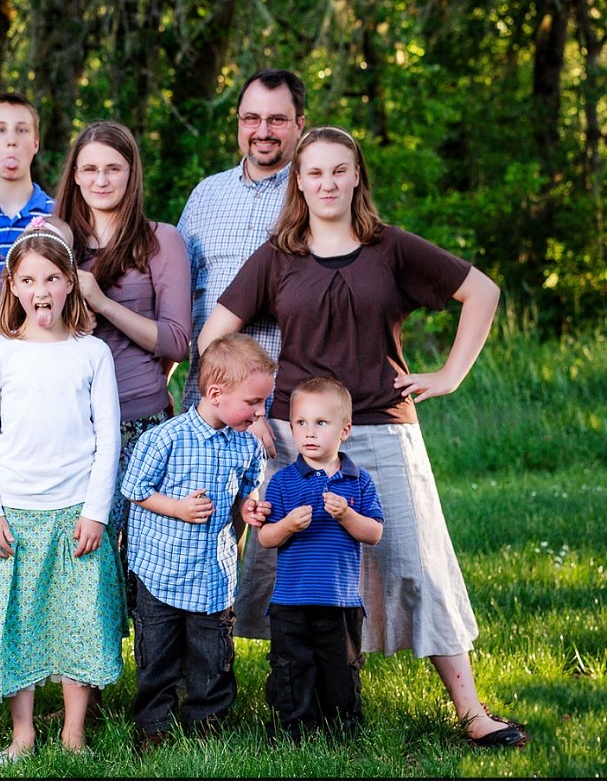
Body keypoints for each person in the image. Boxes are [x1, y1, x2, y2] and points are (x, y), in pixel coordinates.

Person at [199, 125, 529, 747]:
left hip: (381, 427)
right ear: (299, 181)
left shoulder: (391, 249)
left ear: (356, 177)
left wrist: (451, 375)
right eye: (314, 172)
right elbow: (213, 336)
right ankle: (284, 701)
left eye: (338, 170)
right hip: (297, 439)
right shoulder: (278, 256)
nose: (326, 182)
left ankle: (472, 710)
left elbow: (481, 291)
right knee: (280, 567)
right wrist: (251, 414)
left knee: (414, 565)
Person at [0, 217, 125, 762]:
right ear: (12, 286)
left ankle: (73, 735)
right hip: (15, 511)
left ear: (70, 283)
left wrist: (97, 513)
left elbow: (108, 441)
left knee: (80, 620)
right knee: (21, 623)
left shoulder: (91, 353)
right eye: (29, 280)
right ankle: (23, 734)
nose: (41, 291)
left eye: (53, 279)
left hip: (75, 510)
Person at [118, 333, 275, 753]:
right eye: (254, 403)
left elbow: (248, 490)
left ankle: (206, 722)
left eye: (263, 403)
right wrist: (178, 508)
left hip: (212, 573)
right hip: (161, 570)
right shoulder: (165, 438)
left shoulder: (246, 443)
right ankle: (154, 724)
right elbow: (135, 489)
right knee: (159, 655)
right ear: (216, 393)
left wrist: (249, 509)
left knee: (213, 656)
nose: (261, 413)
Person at [55, 119, 192, 534]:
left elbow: (175, 340)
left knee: (136, 563)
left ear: (131, 173)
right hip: (67, 424)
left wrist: (101, 302)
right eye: (90, 169)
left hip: (138, 421)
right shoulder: (57, 241)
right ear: (75, 176)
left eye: (113, 168)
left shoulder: (160, 241)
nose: (101, 179)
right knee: (79, 559)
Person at [254, 377, 383, 741]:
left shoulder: (358, 482)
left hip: (339, 602)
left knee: (340, 669)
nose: (309, 432)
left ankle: (342, 729)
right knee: (292, 668)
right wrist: (288, 526)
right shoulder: (282, 482)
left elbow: (373, 533)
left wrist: (346, 516)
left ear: (344, 430)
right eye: (300, 423)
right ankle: (294, 728)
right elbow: (265, 538)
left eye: (321, 423)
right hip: (290, 602)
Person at [178, 68, 305, 413]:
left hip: (288, 410)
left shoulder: (313, 196)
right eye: (251, 118)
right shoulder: (206, 195)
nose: (262, 131)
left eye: (276, 119)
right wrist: (160, 384)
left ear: (300, 124)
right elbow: (177, 300)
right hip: (207, 407)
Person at [0, 92, 54, 337]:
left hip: (43, 355)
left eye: (22, 130)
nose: (11, 141)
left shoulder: (59, 216)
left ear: (36, 142)